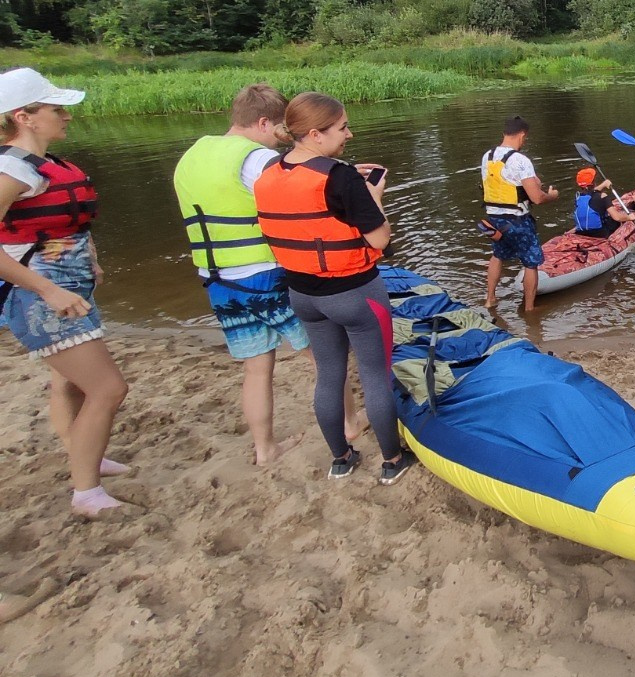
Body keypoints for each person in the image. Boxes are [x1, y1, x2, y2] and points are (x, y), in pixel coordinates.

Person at [172, 84, 365, 466]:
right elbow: (304, 196)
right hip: (267, 274)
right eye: (281, 130)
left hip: (217, 279)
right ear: (263, 122)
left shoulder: (192, 154)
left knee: (257, 365)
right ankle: (350, 423)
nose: (284, 141)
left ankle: (265, 449)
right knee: (324, 355)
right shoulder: (256, 159)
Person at [252, 92, 414, 485]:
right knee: (376, 374)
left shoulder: (270, 171)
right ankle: (392, 460)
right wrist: (372, 197)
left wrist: (346, 181)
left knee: (328, 374)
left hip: (304, 296)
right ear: (314, 133)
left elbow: (309, 194)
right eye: (342, 128)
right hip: (355, 294)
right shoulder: (339, 177)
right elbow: (379, 240)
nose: (349, 134)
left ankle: (340, 458)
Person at [0, 67, 130, 517]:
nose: (66, 116)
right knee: (109, 388)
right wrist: (49, 291)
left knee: (70, 383)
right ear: (25, 117)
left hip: (66, 287)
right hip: (36, 297)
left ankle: (84, 454)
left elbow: (66, 223)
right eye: (56, 109)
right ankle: (86, 494)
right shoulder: (12, 169)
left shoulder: (46, 165)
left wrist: (89, 256)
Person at [481, 115, 558, 311]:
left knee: (497, 255)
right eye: (525, 138)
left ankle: (490, 299)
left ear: (504, 133)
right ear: (522, 135)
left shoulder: (487, 156)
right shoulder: (520, 160)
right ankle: (530, 309)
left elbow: (504, 183)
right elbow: (537, 198)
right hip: (518, 220)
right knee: (531, 263)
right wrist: (552, 196)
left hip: (494, 220)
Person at [573, 168, 635, 239]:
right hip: (601, 233)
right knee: (615, 220)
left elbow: (591, 193)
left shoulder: (577, 197)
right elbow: (617, 217)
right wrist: (629, 217)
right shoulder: (602, 196)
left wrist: (604, 184)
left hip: (582, 232)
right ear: (593, 182)